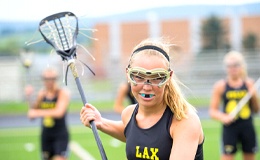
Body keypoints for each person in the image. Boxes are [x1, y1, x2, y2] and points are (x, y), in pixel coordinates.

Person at [80, 38, 204, 159]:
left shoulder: (184, 121)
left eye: (157, 77)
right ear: (128, 74)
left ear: (168, 77)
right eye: (139, 76)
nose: (147, 87)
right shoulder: (129, 114)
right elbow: (134, 133)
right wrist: (101, 122)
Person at [209, 51, 259, 160]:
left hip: (247, 126)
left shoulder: (249, 84)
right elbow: (212, 111)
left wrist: (254, 95)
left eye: (235, 65)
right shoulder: (220, 86)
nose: (232, 68)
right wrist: (223, 117)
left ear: (241, 66)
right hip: (230, 128)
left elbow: (256, 110)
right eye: (229, 66)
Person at [25, 67, 70, 160]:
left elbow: (59, 112)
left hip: (60, 134)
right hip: (46, 135)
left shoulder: (62, 93)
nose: (49, 82)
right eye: (46, 79)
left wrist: (37, 113)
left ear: (56, 79)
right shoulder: (42, 94)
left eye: (52, 79)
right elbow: (32, 113)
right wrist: (29, 97)